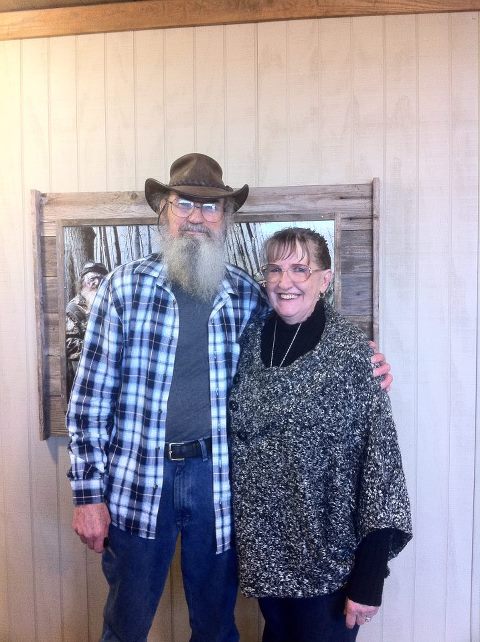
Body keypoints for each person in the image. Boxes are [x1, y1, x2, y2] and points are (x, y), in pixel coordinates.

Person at [67, 154, 393, 642]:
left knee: (216, 626)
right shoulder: (123, 288)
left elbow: (300, 335)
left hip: (218, 482)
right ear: (164, 212)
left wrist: (364, 361)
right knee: (125, 624)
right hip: (137, 478)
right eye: (184, 204)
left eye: (210, 206)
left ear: (226, 217)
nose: (196, 217)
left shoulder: (247, 295)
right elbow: (90, 400)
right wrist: (88, 495)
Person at [228, 227, 412, 642]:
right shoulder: (250, 341)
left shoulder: (349, 352)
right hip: (265, 559)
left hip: (328, 566)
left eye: (300, 269)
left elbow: (381, 467)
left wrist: (369, 579)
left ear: (324, 280)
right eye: (274, 269)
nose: (285, 281)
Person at [65, 261, 108, 395]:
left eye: (101, 279)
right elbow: (69, 344)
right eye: (92, 279)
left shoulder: (108, 305)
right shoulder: (73, 308)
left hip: (107, 370)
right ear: (83, 282)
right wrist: (100, 349)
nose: (97, 282)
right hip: (83, 372)